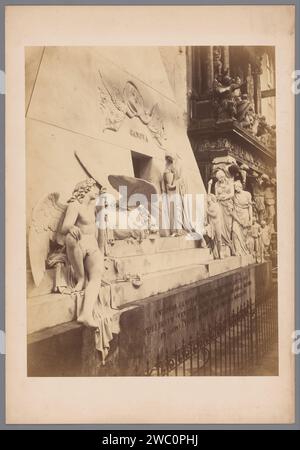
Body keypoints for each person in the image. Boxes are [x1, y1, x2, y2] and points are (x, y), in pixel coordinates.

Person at [61, 178, 103, 327]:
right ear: (86, 189)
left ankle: (86, 314)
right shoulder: (75, 205)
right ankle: (80, 278)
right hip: (79, 243)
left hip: (92, 245)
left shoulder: (93, 206)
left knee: (97, 275)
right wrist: (71, 228)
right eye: (95, 187)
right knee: (70, 237)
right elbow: (65, 227)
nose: (97, 190)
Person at [208, 168, 235, 255]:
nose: (220, 180)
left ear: (224, 176)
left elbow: (232, 194)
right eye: (219, 179)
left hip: (227, 205)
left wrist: (225, 197)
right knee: (221, 225)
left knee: (228, 225)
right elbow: (216, 195)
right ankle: (223, 244)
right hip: (220, 205)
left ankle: (229, 244)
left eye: (221, 178)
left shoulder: (230, 182)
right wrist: (217, 197)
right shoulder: (216, 184)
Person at [231, 180, 252, 256]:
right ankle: (238, 250)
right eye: (235, 187)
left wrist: (251, 219)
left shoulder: (247, 194)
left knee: (244, 234)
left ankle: (244, 250)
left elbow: (250, 207)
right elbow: (232, 209)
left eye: (237, 186)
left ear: (241, 186)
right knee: (235, 232)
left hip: (245, 215)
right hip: (236, 216)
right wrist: (237, 219)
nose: (236, 188)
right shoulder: (234, 196)